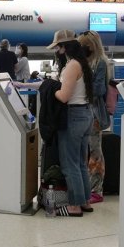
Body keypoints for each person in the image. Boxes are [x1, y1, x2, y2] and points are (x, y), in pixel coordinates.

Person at [51, 39, 94, 217]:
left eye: (58, 48)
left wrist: (49, 88)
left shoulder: (72, 66)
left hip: (73, 116)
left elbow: (64, 96)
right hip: (86, 114)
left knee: (70, 164)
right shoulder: (83, 64)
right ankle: (85, 201)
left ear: (64, 49)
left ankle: (74, 206)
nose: (57, 51)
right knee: (80, 162)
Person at [78, 31, 109, 204]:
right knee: (85, 151)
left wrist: (80, 88)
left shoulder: (101, 63)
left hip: (94, 114)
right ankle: (87, 185)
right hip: (82, 112)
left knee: (95, 152)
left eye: (85, 45)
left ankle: (97, 189)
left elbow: (99, 89)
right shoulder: (84, 62)